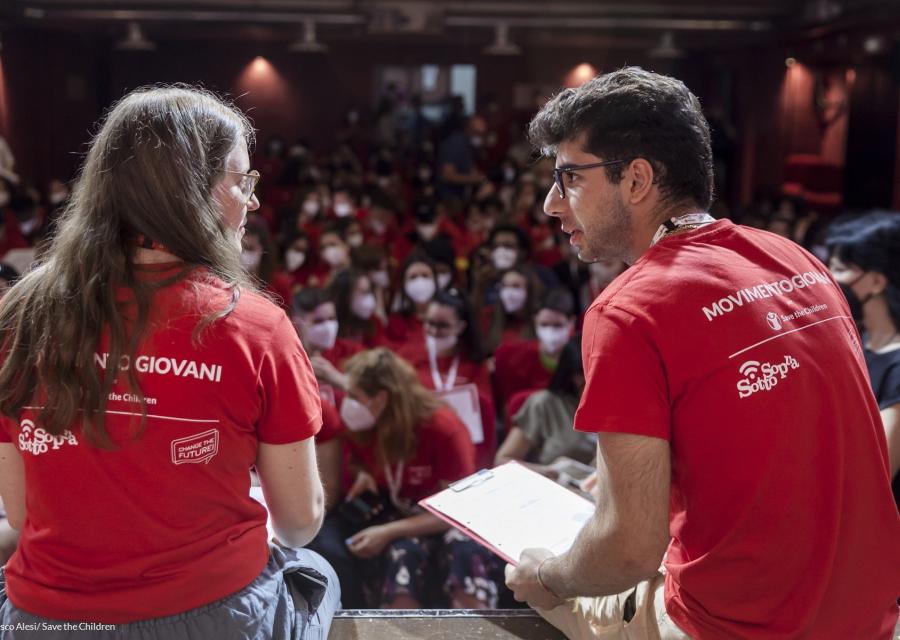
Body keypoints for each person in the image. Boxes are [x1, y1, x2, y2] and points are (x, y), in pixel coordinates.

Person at [505, 67, 900, 639]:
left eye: (568, 177)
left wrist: (551, 575)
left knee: (538, 572)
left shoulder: (627, 311)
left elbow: (629, 550)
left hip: (739, 627)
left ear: (637, 179)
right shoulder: (796, 260)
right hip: (870, 618)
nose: (550, 204)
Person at [0, 86, 339, 638]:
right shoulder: (253, 325)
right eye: (241, 180)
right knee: (315, 570)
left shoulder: (21, 311)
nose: (252, 201)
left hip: (47, 620)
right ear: (189, 193)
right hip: (210, 614)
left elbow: (20, 513)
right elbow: (298, 524)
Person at [307, 348, 503, 610]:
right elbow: (354, 460)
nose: (348, 403)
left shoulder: (443, 429)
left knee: (465, 552)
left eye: (354, 396)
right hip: (403, 514)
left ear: (382, 399)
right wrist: (363, 473)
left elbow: (457, 511)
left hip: (451, 521)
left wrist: (388, 532)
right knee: (403, 555)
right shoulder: (369, 426)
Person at [826, 210, 900, 510]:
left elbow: (876, 470)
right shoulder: (856, 338)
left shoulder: (896, 366)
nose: (828, 277)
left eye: (839, 268)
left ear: (877, 281)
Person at [495, 336, 595, 474]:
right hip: (560, 487)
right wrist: (548, 472)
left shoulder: (619, 405)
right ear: (576, 377)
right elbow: (502, 461)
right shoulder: (543, 404)